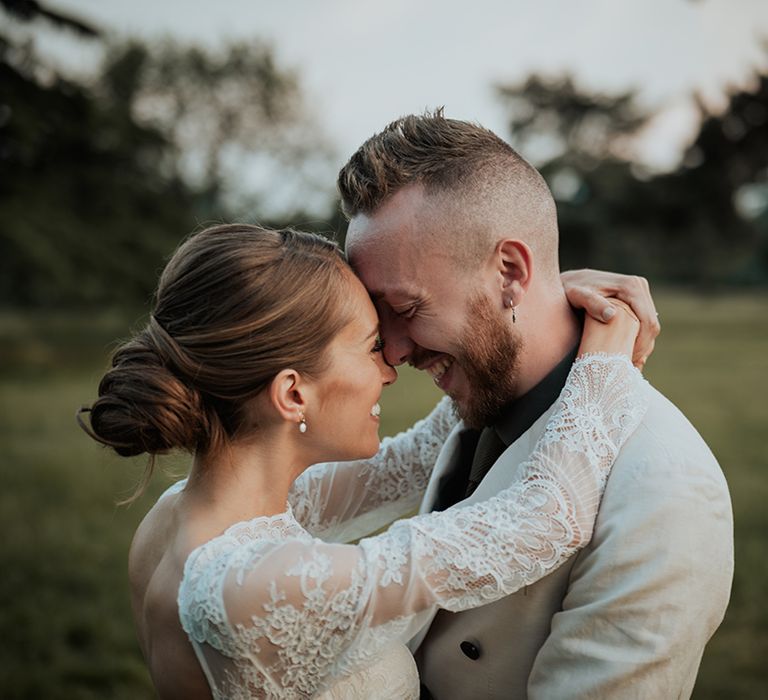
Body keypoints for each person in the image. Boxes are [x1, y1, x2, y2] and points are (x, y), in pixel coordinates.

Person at [78, 223, 647, 699]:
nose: (391, 366)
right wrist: (610, 346)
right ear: (293, 394)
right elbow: (544, 519)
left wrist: (528, 308)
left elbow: (409, 462)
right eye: (372, 344)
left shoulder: (180, 515)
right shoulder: (246, 583)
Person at [337, 111, 734, 699]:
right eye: (379, 316)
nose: (392, 352)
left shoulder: (664, 489)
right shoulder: (482, 394)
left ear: (510, 272)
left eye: (407, 308)